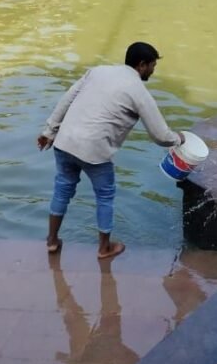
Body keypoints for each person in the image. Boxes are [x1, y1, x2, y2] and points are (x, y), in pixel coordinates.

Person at [37, 42, 185, 258]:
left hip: (65, 142)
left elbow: (67, 98)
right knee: (105, 196)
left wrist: (49, 130)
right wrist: (179, 138)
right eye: (152, 66)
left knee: (62, 189)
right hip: (94, 151)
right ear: (142, 65)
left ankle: (51, 240)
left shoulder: (98, 72)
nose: (153, 71)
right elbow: (161, 136)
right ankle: (104, 248)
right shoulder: (138, 91)